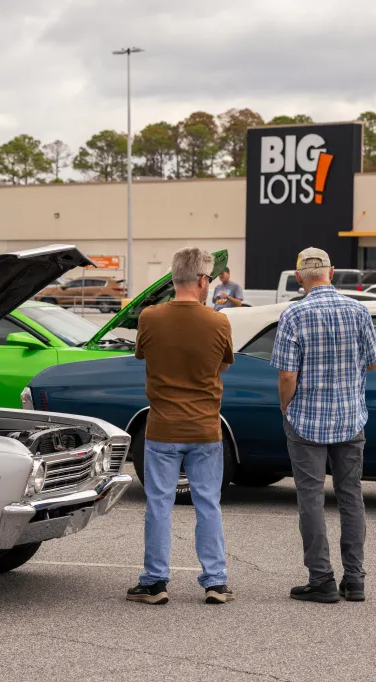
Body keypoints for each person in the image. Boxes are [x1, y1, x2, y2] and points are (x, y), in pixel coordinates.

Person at [126, 247, 236, 606]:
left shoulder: (150, 317)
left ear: (174, 279)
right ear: (204, 281)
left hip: (162, 427)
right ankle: (216, 582)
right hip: (205, 428)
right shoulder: (219, 322)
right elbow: (222, 367)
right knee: (209, 503)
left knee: (158, 503)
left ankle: (155, 582)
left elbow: (143, 356)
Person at [270, 247, 376, 604]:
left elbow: (287, 375)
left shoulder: (294, 314)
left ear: (299, 277)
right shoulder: (359, 310)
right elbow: (372, 363)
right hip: (350, 418)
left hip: (307, 421)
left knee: (311, 499)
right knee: (351, 496)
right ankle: (356, 579)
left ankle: (322, 579)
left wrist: (286, 408)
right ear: (331, 272)